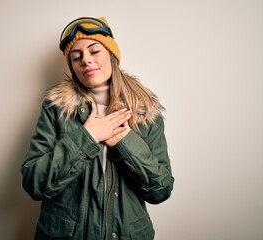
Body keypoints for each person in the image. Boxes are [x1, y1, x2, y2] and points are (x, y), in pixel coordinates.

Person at [21, 16, 174, 240]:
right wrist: (88, 137)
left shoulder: (145, 112)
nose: (86, 60)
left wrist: (123, 142)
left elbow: (160, 190)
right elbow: (33, 183)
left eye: (95, 51)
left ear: (111, 55)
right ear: (72, 67)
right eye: (76, 57)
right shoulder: (56, 108)